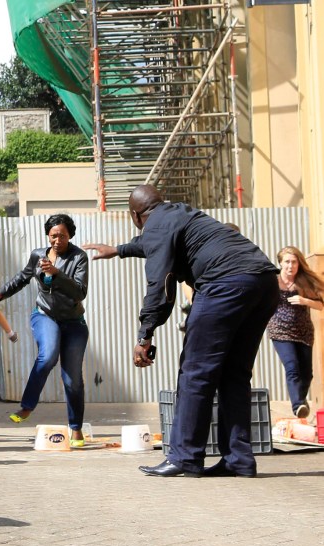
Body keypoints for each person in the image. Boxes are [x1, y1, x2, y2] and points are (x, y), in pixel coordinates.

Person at [83, 185, 278, 478]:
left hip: (225, 285)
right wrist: (120, 250)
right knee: (233, 374)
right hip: (264, 283)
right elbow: (155, 243)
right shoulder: (179, 213)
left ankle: (185, 457)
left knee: (195, 372)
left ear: (135, 215)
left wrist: (145, 333)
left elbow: (160, 284)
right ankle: (239, 460)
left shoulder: (157, 225)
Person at [0, 214, 89, 447]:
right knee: (48, 354)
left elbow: (80, 292)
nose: (57, 240)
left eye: (62, 235)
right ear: (47, 236)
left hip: (73, 322)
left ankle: (76, 427)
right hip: (45, 315)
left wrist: (57, 274)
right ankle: (27, 406)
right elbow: (23, 277)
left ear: (70, 234)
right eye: (53, 236)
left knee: (72, 379)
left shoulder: (79, 257)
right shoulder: (38, 255)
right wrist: (1, 293)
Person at [267, 246, 324, 419]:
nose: (290, 266)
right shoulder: (272, 281)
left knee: (306, 374)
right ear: (280, 263)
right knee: (292, 367)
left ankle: (301, 399)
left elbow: (320, 305)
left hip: (304, 331)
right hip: (280, 331)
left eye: (294, 262)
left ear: (299, 264)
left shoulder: (303, 282)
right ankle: (298, 405)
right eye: (287, 262)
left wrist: (304, 300)